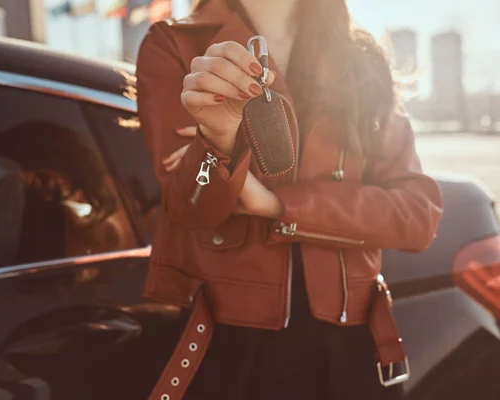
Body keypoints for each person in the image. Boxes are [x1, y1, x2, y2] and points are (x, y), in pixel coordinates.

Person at [135, 0, 444, 398]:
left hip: (352, 346)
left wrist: (279, 205)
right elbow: (192, 206)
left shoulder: (362, 60)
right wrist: (217, 141)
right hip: (230, 345)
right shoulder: (175, 44)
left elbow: (419, 215)